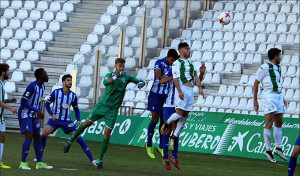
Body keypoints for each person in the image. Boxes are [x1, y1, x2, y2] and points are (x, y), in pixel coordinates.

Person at [64, 58, 145, 169]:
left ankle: (100, 160)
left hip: (113, 110)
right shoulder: (110, 75)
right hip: (102, 106)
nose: (122, 68)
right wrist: (118, 76)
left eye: (123, 66)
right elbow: (106, 82)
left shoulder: (127, 77)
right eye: (120, 66)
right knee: (86, 123)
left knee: (107, 134)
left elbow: (139, 81)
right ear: (115, 66)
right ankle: (70, 141)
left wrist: (141, 83)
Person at [160, 49, 206, 170]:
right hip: (170, 103)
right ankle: (165, 156)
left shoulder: (186, 69)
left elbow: (195, 82)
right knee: (167, 130)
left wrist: (201, 74)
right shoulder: (173, 69)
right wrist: (174, 77)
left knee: (177, 130)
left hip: (181, 100)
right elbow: (162, 80)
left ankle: (174, 156)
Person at [41, 74, 96, 167]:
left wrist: (78, 119)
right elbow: (47, 104)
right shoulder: (56, 92)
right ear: (63, 82)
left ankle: (92, 160)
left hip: (67, 121)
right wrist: (52, 114)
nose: (70, 82)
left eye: (71, 80)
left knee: (79, 138)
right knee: (45, 132)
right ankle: (39, 156)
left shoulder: (73, 96)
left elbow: (76, 109)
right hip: (55, 119)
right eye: (68, 80)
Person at [253, 48, 287, 163]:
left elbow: (277, 84)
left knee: (279, 122)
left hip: (277, 96)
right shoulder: (264, 67)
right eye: (280, 55)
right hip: (268, 96)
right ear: (276, 56)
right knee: (269, 122)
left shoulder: (278, 68)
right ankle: (268, 150)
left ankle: (278, 148)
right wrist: (255, 100)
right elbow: (256, 83)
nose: (281, 57)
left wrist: (282, 97)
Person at [145, 49, 179, 159]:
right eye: (172, 60)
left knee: (163, 122)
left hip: (166, 96)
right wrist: (172, 77)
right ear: (168, 57)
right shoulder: (159, 63)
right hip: (156, 94)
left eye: (174, 61)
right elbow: (159, 77)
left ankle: (160, 146)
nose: (173, 62)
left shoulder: (174, 66)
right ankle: (149, 144)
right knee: (154, 119)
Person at [18, 68, 53, 170]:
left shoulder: (43, 86)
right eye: (45, 73)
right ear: (40, 76)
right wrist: (36, 110)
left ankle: (39, 163)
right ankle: (22, 163)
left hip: (33, 115)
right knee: (29, 135)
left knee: (37, 136)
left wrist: (37, 111)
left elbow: (36, 101)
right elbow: (23, 102)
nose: (47, 75)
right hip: (25, 113)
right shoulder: (32, 86)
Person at [0, 64, 17, 169]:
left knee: (2, 137)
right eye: (7, 71)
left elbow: (1, 100)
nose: (9, 73)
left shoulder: (2, 83)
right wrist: (10, 108)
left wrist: (9, 101)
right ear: (3, 73)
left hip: (0, 117)